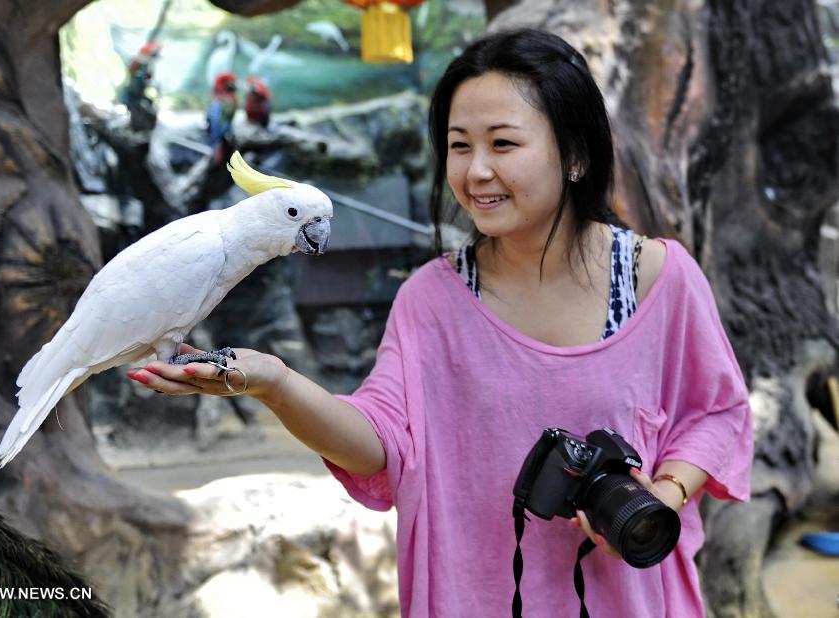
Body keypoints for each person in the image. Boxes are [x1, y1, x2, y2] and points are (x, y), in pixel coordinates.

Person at [128, 28, 753, 618]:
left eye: (502, 144)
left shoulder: (656, 278)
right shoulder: (432, 299)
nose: (475, 171)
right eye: (460, 146)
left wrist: (662, 497)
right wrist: (276, 385)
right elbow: (382, 446)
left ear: (576, 155)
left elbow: (717, 412)